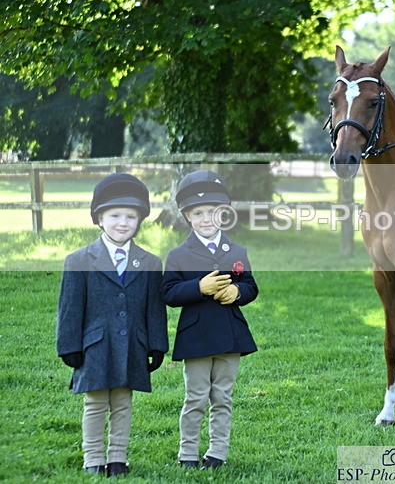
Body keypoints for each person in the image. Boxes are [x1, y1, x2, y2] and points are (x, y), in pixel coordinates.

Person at [56, 173, 168, 477]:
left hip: (132, 344)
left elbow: (154, 309)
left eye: (131, 216)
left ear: (140, 220)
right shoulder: (79, 260)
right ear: (99, 218)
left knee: (122, 401)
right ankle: (93, 459)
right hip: (94, 345)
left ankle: (118, 458)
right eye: (115, 215)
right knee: (95, 402)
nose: (123, 223)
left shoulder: (149, 262)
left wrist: (157, 345)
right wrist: (68, 345)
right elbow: (69, 307)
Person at [162, 170, 258, 470]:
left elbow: (251, 286)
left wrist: (237, 292)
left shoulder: (237, 251)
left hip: (230, 337)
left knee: (223, 397)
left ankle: (217, 452)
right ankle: (188, 453)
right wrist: (198, 287)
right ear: (187, 216)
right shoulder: (178, 255)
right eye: (198, 213)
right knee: (195, 398)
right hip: (196, 339)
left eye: (213, 212)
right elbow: (168, 293)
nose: (206, 219)